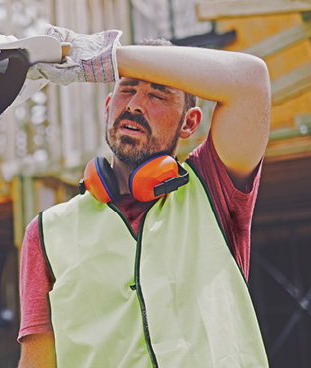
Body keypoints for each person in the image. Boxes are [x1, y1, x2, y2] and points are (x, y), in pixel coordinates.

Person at [18, 26, 271, 367]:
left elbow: (252, 81)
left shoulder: (213, 189)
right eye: (127, 88)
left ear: (189, 123)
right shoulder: (46, 233)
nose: (136, 105)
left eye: (158, 95)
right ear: (108, 106)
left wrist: (103, 57)